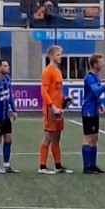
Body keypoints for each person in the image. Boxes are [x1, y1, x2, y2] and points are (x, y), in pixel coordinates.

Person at [80, 53, 105, 174]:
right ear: (95, 64)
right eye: (101, 62)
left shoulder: (96, 77)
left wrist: (100, 103)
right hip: (88, 111)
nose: (103, 64)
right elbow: (96, 91)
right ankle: (87, 167)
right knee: (88, 137)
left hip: (94, 110)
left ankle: (93, 164)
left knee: (95, 137)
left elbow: (95, 94)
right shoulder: (89, 77)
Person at [38, 44, 68, 173]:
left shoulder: (58, 71)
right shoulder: (47, 71)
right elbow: (44, 92)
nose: (60, 57)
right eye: (58, 55)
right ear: (51, 56)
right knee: (48, 137)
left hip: (58, 108)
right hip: (51, 109)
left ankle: (58, 165)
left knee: (57, 137)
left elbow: (57, 91)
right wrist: (52, 106)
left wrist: (64, 100)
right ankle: (42, 166)